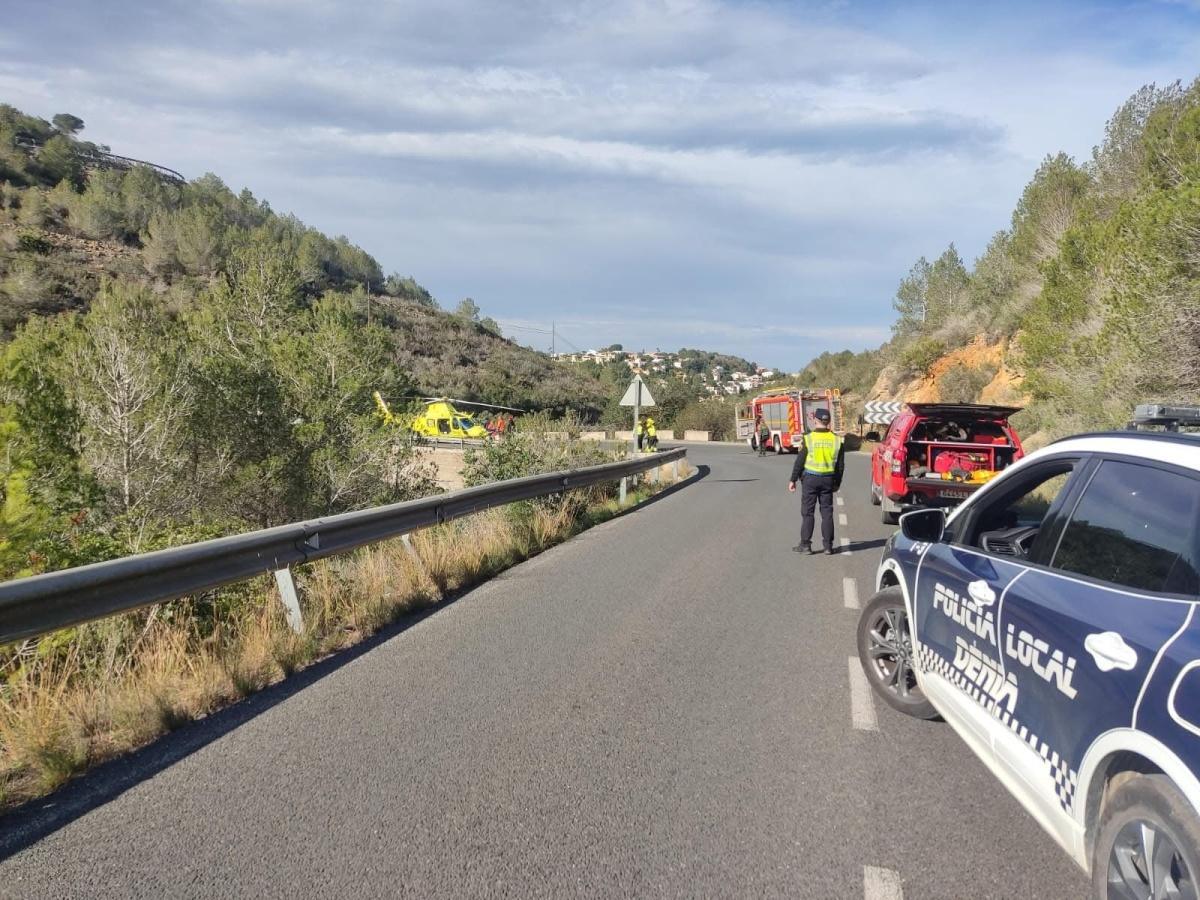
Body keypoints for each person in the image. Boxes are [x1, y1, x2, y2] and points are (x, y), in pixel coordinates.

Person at [787, 408, 845, 555]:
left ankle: (806, 545)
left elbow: (799, 461)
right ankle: (828, 546)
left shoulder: (809, 438)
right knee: (827, 513)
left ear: (815, 420)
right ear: (828, 421)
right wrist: (837, 483)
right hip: (828, 479)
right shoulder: (838, 440)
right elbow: (840, 465)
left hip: (810, 479)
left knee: (808, 513)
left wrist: (793, 479)